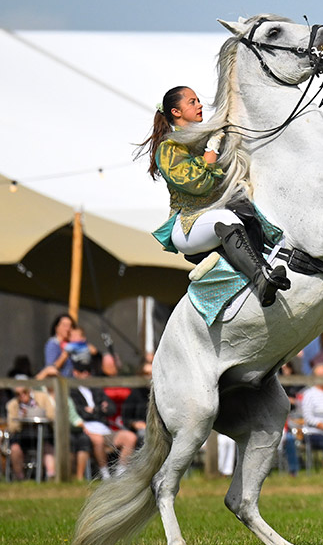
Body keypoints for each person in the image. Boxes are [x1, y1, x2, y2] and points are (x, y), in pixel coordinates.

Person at [137, 85, 289, 307]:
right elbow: (198, 184)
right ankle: (261, 278)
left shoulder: (207, 138)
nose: (199, 105)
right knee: (227, 220)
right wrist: (212, 150)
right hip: (188, 225)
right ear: (176, 112)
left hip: (213, 216)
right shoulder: (169, 148)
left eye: (198, 100)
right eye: (192, 102)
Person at [69, 351, 137, 480]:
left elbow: (111, 408)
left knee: (130, 437)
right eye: (82, 370)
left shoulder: (96, 389)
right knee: (98, 440)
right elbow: (80, 413)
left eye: (88, 370)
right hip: (87, 430)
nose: (86, 374)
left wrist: (93, 410)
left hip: (105, 429)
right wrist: (100, 409)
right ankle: (105, 475)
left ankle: (120, 474)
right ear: (75, 372)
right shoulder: (71, 391)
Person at [6, 379, 56, 480]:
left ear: (29, 390)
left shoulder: (43, 397)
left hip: (42, 434)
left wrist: (38, 412)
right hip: (21, 436)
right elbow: (11, 427)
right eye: (18, 393)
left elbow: (52, 416)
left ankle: (51, 476)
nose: (22, 395)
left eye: (24, 392)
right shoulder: (12, 405)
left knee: (47, 448)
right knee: (14, 449)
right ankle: (20, 478)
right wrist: (21, 418)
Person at [39, 313, 74, 378]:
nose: (68, 329)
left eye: (70, 326)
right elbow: (50, 369)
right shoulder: (53, 344)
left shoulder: (72, 344)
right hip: (60, 383)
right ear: (56, 328)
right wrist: (64, 355)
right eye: (65, 325)